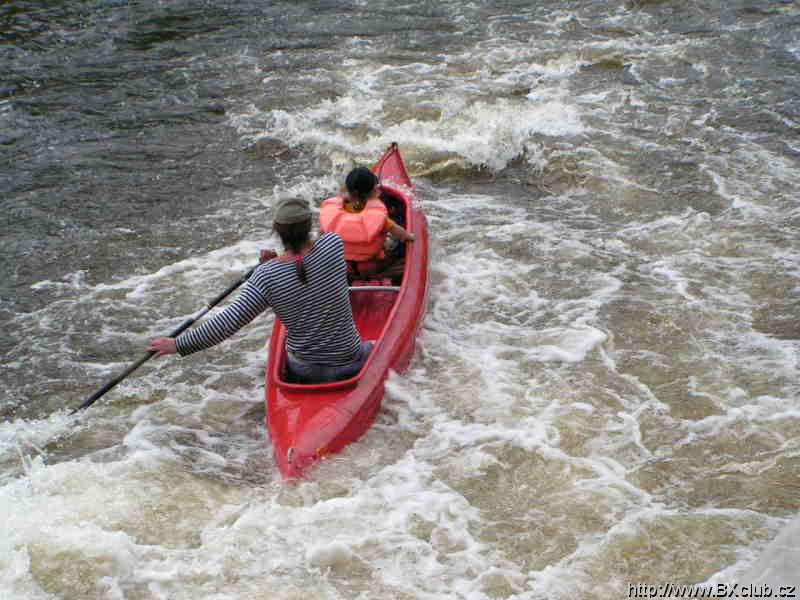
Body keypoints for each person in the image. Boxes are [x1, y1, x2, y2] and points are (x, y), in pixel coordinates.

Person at [147, 197, 373, 384]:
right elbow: (305, 263)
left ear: (277, 230)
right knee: (374, 346)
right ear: (310, 224)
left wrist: (177, 345)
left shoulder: (266, 276)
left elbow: (227, 323)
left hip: (305, 371)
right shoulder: (333, 244)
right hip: (350, 361)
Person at [319, 167, 415, 279]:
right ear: (374, 191)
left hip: (343, 268)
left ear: (346, 189)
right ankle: (378, 276)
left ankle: (355, 278)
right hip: (370, 267)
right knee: (395, 251)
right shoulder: (379, 217)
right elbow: (402, 235)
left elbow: (322, 237)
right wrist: (410, 237)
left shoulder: (331, 214)